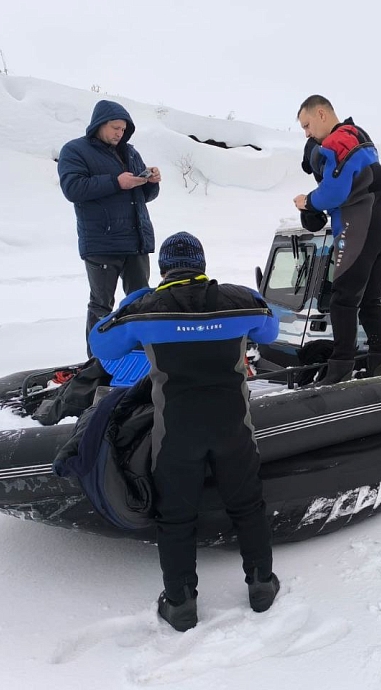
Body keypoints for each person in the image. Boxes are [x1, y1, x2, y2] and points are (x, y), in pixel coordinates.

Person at [88, 232, 281, 632]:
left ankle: (180, 604)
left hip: (176, 432)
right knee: (247, 506)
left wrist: (130, 302)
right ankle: (261, 585)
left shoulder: (145, 309)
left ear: (163, 270)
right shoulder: (239, 301)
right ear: (202, 265)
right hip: (233, 427)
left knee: (175, 518)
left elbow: (101, 345)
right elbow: (270, 330)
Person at [293, 95, 381, 384]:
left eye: (307, 125)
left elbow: (334, 193)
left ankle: (340, 367)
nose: (307, 133)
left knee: (343, 300)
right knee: (371, 300)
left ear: (322, 114)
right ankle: (377, 361)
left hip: (358, 227)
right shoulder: (359, 135)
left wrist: (307, 202)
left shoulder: (336, 142)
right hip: (379, 224)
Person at [58, 99, 161, 356]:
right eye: (115, 127)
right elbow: (73, 188)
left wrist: (150, 182)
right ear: (100, 124)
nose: (119, 133)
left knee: (139, 303)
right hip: (102, 243)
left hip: (135, 242)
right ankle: (97, 360)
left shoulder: (130, 152)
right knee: (101, 305)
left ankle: (139, 356)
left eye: (123, 129)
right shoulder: (75, 151)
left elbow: (141, 196)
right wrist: (116, 182)